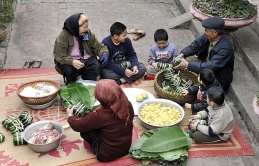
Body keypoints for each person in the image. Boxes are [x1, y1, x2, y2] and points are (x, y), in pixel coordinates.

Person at [66, 79, 134, 161]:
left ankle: (93, 147)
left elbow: (76, 126)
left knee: (85, 130)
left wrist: (70, 115)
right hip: (125, 148)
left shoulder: (99, 116)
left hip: (105, 155)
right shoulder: (127, 104)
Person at [174, 16, 234, 91]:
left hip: (218, 75)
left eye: (206, 30)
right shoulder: (208, 36)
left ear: (215, 33)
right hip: (206, 63)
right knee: (186, 59)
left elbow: (211, 66)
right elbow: (196, 45)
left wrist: (188, 65)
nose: (204, 32)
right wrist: (183, 53)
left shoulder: (225, 48)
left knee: (204, 89)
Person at [53, 13, 109, 85]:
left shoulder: (88, 33)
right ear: (76, 27)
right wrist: (72, 61)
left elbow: (98, 46)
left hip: (86, 60)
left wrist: (104, 53)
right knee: (70, 71)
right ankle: (72, 84)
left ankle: (85, 81)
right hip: (70, 62)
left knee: (97, 66)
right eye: (84, 27)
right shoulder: (63, 36)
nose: (87, 29)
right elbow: (59, 55)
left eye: (87, 27)